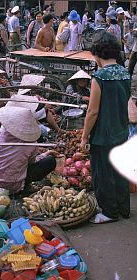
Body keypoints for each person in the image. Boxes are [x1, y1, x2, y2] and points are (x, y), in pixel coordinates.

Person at [81, 31, 131, 224]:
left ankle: (109, 212)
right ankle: (124, 209)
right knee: (119, 172)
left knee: (102, 174)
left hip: (102, 135)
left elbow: (92, 111)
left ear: (97, 53)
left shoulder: (99, 77)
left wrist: (85, 136)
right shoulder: (125, 73)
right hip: (120, 130)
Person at [0, 106, 58, 193]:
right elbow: (31, 163)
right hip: (12, 185)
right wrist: (47, 153)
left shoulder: (3, 131)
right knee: (50, 161)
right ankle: (25, 186)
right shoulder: (32, 143)